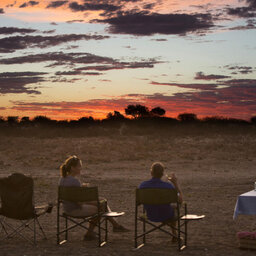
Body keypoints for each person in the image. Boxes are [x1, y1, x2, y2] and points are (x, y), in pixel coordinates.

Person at [59, 155, 129, 240]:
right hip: (75, 209)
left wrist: (82, 190)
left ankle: (115, 226)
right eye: (79, 166)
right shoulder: (75, 181)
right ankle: (90, 233)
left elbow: (74, 196)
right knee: (101, 206)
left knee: (102, 201)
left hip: (66, 208)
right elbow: (80, 202)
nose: (80, 168)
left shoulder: (62, 179)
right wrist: (95, 202)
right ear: (72, 168)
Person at [139, 162, 183, 242]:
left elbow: (139, 202)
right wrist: (175, 183)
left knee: (163, 207)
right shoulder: (168, 186)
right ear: (162, 174)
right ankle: (174, 234)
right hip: (167, 214)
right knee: (175, 207)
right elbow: (180, 200)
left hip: (150, 214)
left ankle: (174, 235)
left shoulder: (143, 185)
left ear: (151, 172)